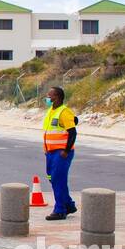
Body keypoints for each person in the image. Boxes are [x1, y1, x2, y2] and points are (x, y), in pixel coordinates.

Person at [42, 86, 79, 220]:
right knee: (53, 179)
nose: (47, 98)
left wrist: (66, 150)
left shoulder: (64, 112)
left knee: (58, 180)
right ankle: (68, 204)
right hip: (50, 153)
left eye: (49, 96)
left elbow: (72, 132)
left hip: (61, 153)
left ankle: (60, 210)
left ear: (57, 98)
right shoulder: (51, 111)